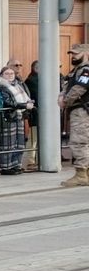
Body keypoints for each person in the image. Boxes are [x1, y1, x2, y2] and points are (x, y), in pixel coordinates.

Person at [60, 45, 89, 187]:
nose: (73, 56)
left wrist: (65, 101)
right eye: (72, 53)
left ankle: (81, 174)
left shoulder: (86, 70)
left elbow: (79, 88)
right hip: (78, 109)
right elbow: (67, 85)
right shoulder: (76, 70)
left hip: (82, 110)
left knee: (79, 142)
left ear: (86, 53)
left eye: (76, 53)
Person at [0, 66, 32, 175]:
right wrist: (24, 105)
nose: (10, 75)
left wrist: (27, 104)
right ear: (2, 75)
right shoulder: (1, 86)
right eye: (7, 73)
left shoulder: (18, 85)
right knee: (8, 144)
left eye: (12, 73)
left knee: (19, 142)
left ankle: (16, 165)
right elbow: (7, 102)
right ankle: (6, 167)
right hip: (9, 117)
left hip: (19, 115)